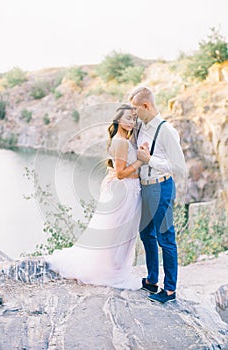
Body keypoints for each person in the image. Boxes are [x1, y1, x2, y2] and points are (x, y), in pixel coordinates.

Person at [45, 103, 149, 290]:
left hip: (130, 190)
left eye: (134, 118)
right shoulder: (121, 141)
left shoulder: (125, 139)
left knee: (122, 233)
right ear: (118, 120)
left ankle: (115, 269)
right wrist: (141, 161)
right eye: (128, 118)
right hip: (124, 190)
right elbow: (119, 173)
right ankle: (112, 272)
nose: (132, 122)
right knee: (117, 233)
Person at [129, 86, 187, 303]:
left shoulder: (166, 130)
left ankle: (170, 290)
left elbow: (180, 168)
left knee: (166, 238)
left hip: (161, 187)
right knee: (146, 234)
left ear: (146, 105)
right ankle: (152, 279)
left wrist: (149, 160)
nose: (134, 113)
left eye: (136, 109)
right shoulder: (142, 126)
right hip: (145, 187)